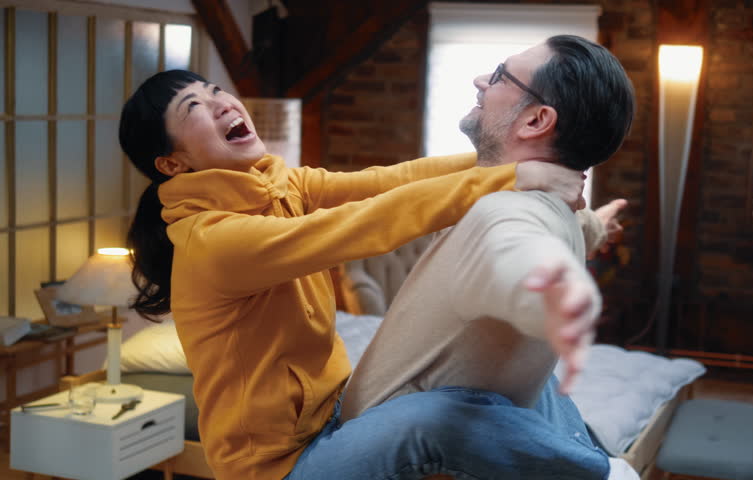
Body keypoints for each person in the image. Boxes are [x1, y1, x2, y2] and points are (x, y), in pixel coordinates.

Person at [119, 68, 595, 479]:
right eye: (194, 106)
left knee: (514, 372)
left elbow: (393, 181)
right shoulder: (212, 243)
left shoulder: (283, 185)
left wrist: (512, 161)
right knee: (437, 421)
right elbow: (363, 224)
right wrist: (510, 179)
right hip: (282, 469)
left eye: (215, 90)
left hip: (338, 415)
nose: (221, 103)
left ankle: (595, 457)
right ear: (172, 163)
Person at [338, 35, 636, 478]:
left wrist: (543, 288)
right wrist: (599, 224)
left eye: (499, 76)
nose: (481, 81)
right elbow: (569, 227)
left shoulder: (505, 211)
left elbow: (513, 249)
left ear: (536, 120)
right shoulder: (553, 205)